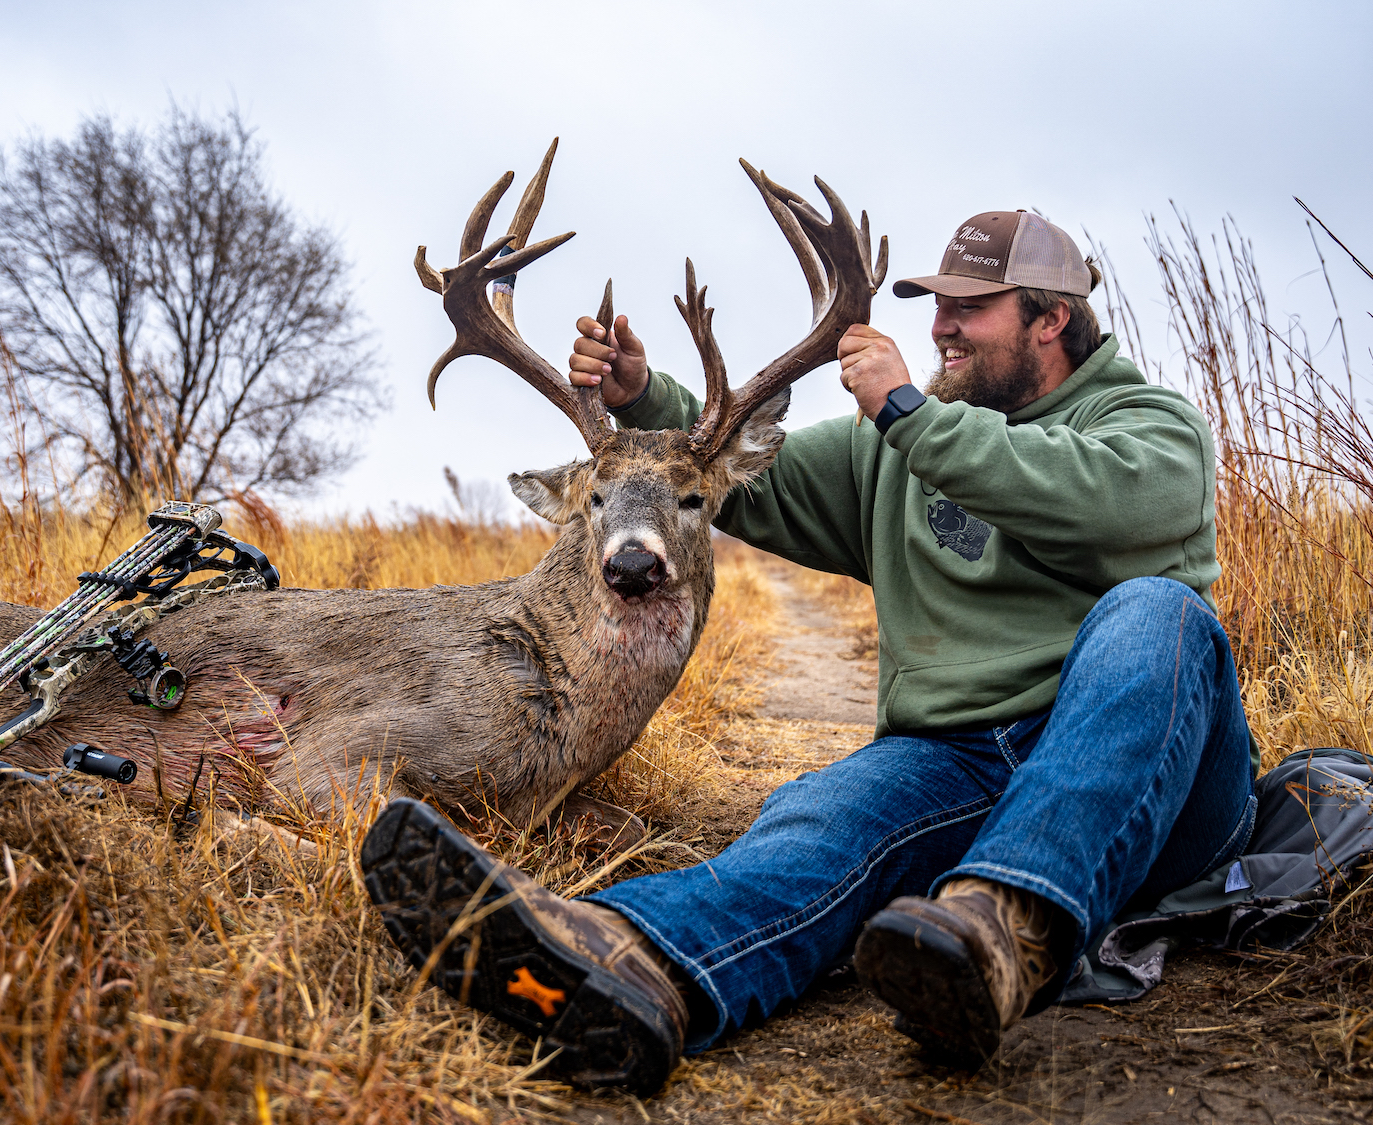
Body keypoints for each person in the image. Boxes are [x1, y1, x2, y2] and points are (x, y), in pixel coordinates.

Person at [357, 209, 1256, 1095]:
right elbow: (739, 479)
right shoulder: (897, 446)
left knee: (1158, 613)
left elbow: (1096, 498)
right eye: (934, 302)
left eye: (968, 307)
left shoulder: (1150, 426)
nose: (939, 324)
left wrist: (907, 411)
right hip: (960, 762)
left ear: (1051, 318)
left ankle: (1006, 930)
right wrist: (644, 399)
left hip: (1152, 790)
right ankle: (623, 960)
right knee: (822, 822)